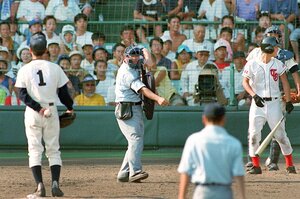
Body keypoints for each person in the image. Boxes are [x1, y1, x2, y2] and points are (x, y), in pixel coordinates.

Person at [14, 32, 74, 197]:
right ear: (46, 49)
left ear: (30, 50)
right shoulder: (55, 68)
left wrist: (38, 109)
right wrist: (70, 108)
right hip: (52, 110)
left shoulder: (25, 69)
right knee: (53, 150)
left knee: (34, 150)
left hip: (33, 113)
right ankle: (55, 183)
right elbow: (63, 94)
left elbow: (22, 95)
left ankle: (40, 186)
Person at [246, 25, 300, 171]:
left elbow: (293, 74)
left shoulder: (283, 57)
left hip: (277, 98)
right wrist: (253, 94)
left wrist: (292, 97)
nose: (275, 37)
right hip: (258, 99)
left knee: (279, 132)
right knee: (254, 132)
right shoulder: (255, 55)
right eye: (271, 34)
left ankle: (277, 162)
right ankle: (253, 162)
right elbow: (246, 77)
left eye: (277, 35)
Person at [115, 45, 169, 183]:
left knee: (134, 141)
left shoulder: (136, 64)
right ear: (125, 58)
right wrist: (158, 98)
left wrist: (144, 52)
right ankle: (135, 172)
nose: (135, 58)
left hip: (135, 108)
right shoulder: (126, 71)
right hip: (126, 108)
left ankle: (124, 172)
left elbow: (149, 60)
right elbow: (143, 89)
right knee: (135, 140)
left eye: (136, 55)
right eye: (131, 56)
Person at [177, 103, 245, 199]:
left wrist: (181, 197)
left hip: (202, 192)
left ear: (204, 119)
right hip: (224, 193)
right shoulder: (233, 143)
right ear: (223, 119)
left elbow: (185, 171)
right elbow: (238, 174)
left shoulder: (193, 140)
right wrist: (242, 196)